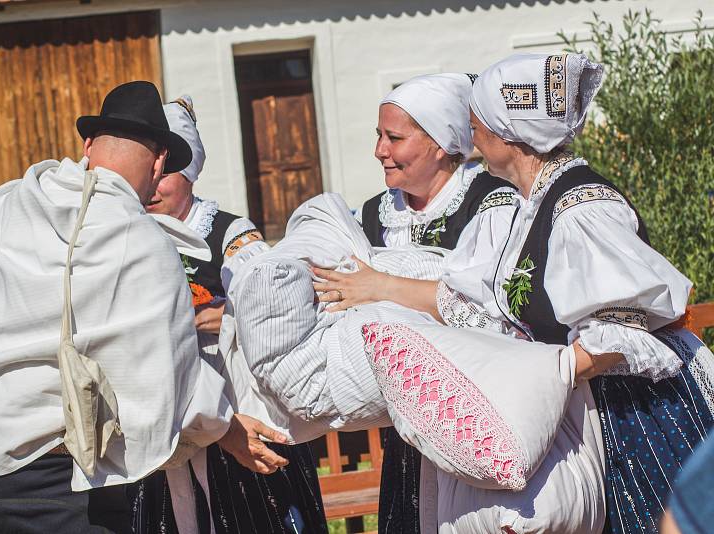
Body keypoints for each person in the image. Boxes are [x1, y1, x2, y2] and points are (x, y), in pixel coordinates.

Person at [319, 53, 714, 533]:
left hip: (628, 413)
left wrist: (543, 375)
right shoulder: (529, 205)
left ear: (510, 133)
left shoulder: (581, 207)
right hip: (578, 404)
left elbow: (621, 329)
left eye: (478, 126)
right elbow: (474, 305)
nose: (473, 139)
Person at [0, 81, 286, 534]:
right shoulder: (137, 237)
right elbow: (166, 377)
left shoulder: (0, 208)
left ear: (88, 144)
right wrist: (226, 428)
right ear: (160, 160)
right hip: (41, 484)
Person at [130, 96, 328, 534]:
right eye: (151, 174)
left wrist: (226, 316)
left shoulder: (230, 233)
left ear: (192, 173)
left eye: (169, 176)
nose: (156, 186)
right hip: (169, 421)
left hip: (234, 414)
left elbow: (269, 305)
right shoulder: (129, 232)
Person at [348, 73, 517, 533]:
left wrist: (380, 285)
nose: (379, 150)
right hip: (409, 427)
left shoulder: (490, 204)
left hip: (479, 414)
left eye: (394, 137)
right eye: (378, 136)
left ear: (441, 144)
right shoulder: (371, 216)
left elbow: (489, 311)